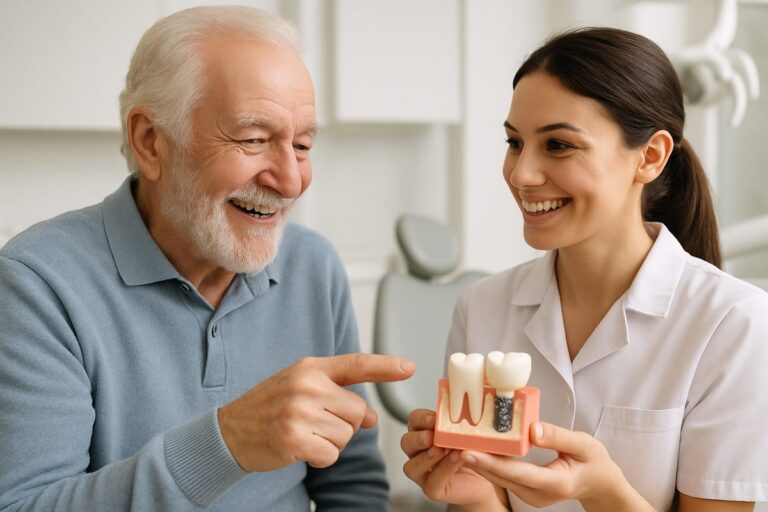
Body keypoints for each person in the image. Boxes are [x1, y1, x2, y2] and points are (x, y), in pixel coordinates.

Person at [0, 6, 415, 511]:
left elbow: (352, 487)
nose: (290, 181)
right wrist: (227, 443)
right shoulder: (37, 284)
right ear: (150, 142)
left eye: (302, 145)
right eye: (253, 140)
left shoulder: (313, 265)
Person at [401, 27, 768, 512]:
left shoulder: (735, 324)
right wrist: (476, 497)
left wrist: (602, 493)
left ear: (650, 157)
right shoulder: (482, 306)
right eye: (514, 143)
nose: (521, 174)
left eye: (557, 145)